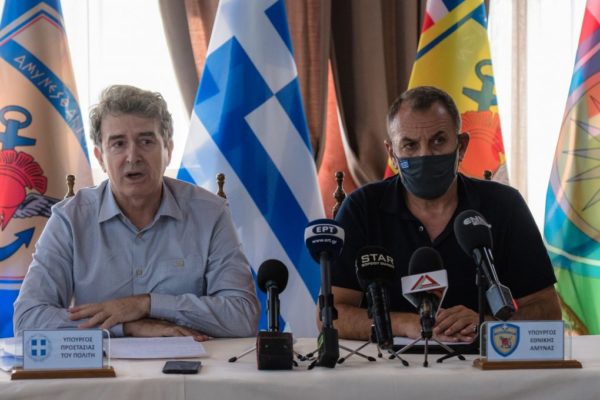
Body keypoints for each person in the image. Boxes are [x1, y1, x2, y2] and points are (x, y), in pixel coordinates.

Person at [13, 85, 260, 339]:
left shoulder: (210, 213)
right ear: (100, 158)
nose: (133, 156)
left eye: (146, 141)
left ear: (168, 151)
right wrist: (126, 327)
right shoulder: (69, 219)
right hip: (103, 365)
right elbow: (27, 319)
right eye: (118, 144)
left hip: (193, 362)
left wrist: (146, 304)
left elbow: (242, 317)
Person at [330, 86, 561, 343]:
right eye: (410, 145)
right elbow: (332, 314)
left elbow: (548, 311)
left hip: (482, 362)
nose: (424, 155)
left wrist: (486, 325)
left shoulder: (504, 205)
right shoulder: (362, 209)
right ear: (392, 154)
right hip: (390, 364)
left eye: (438, 141)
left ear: (461, 146)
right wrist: (405, 324)